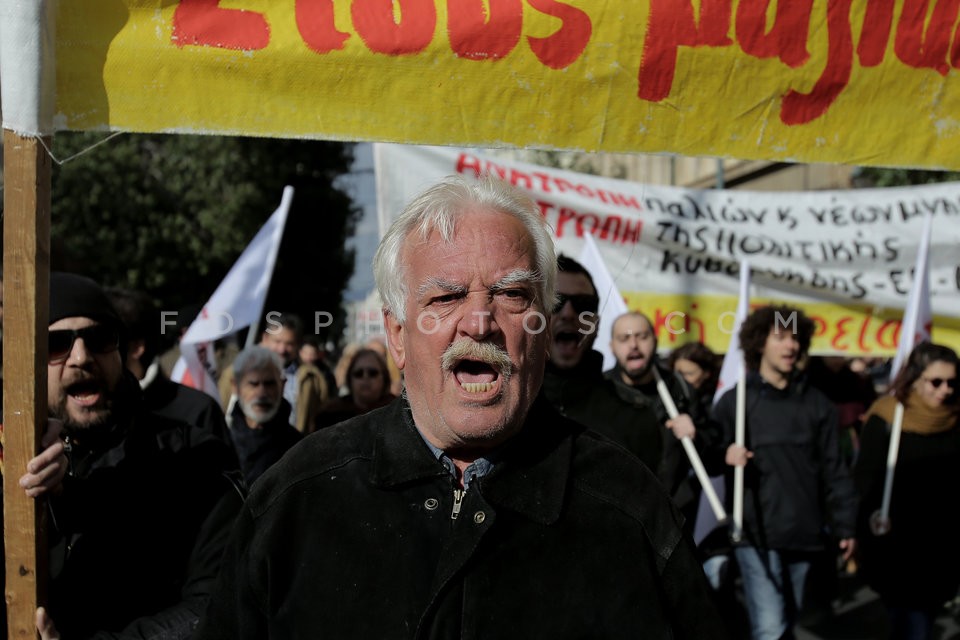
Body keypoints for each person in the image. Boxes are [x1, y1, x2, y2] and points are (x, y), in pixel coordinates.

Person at [195, 175, 725, 639]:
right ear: (397, 336)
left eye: (512, 295)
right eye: (445, 298)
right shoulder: (296, 500)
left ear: (541, 330)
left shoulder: (628, 509)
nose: (479, 321)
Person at [10, 272, 242, 640]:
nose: (81, 357)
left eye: (100, 338)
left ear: (120, 350)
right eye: (56, 344)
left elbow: (216, 604)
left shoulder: (194, 459)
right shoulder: (13, 460)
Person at [716, 305, 857, 640]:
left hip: (805, 532)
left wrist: (845, 525)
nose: (790, 346)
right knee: (769, 627)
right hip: (754, 532)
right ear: (759, 344)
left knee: (787, 620)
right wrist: (725, 454)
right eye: (780, 337)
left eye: (795, 338)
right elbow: (708, 459)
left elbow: (834, 469)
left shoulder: (817, 404)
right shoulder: (735, 403)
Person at [855, 342, 960, 640]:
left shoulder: (955, 418)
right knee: (913, 624)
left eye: (952, 382)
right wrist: (863, 525)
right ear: (915, 379)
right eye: (936, 382)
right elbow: (865, 479)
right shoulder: (888, 417)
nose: (945, 390)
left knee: (922, 618)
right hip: (897, 544)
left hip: (942, 545)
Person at [541, 255, 662, 471]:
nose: (568, 313)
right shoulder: (504, 406)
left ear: (596, 322)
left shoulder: (634, 414)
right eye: (556, 302)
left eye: (583, 305)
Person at [604, 311, 718, 525]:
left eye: (642, 336)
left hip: (673, 517)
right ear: (612, 347)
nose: (634, 345)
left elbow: (713, 460)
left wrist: (696, 435)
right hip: (616, 518)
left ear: (655, 341)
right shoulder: (599, 392)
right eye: (624, 338)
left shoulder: (680, 390)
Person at [105, 286, 236, 453]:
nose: (82, 355)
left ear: (136, 347)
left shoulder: (198, 411)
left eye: (103, 339)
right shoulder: (83, 409)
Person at [227, 346, 304, 486]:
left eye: (269, 384)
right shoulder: (223, 443)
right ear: (235, 387)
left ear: (282, 385)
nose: (262, 393)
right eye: (253, 384)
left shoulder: (299, 448)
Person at [313, 347, 396, 430]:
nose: (365, 377)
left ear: (384, 377)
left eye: (372, 373)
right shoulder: (329, 416)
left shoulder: (397, 413)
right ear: (350, 379)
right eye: (358, 373)